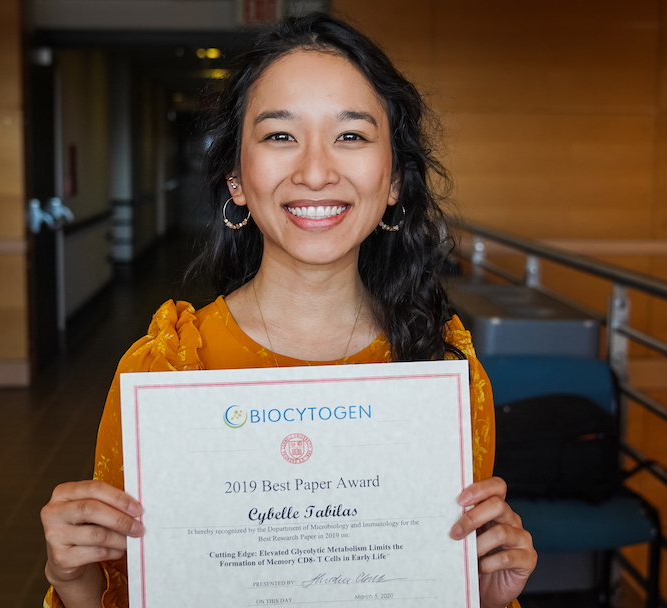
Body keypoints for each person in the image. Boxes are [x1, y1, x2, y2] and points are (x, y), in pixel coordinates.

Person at [41, 14, 536, 608]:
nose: (315, 171)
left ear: (396, 180)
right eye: (280, 136)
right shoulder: (166, 368)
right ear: (236, 180)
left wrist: (483, 594)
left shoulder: (445, 377)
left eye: (350, 136)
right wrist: (74, 581)